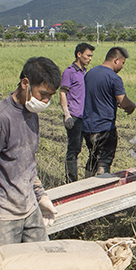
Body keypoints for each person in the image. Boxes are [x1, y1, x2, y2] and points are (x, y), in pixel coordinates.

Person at [0, 56, 62, 248]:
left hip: (30, 209)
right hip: (2, 216)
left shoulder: (31, 114)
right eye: (42, 94)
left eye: (50, 96)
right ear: (25, 83)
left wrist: (41, 196)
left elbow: (27, 163)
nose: (45, 101)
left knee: (43, 266)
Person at [81, 47, 136, 177]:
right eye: (123, 63)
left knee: (92, 158)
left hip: (88, 126)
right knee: (104, 162)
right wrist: (131, 107)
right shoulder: (114, 78)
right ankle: (101, 188)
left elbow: (98, 95)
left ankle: (85, 186)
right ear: (116, 60)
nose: (122, 66)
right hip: (105, 127)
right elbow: (123, 102)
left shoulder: (90, 73)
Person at [59, 42, 95, 182]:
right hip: (74, 116)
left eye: (91, 56)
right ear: (79, 55)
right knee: (74, 149)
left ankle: (88, 179)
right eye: (88, 55)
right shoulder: (69, 72)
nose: (90, 58)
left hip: (86, 116)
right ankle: (71, 181)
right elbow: (63, 93)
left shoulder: (85, 72)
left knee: (93, 147)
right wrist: (66, 114)